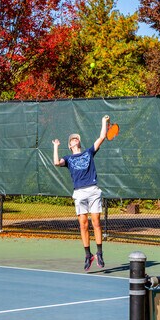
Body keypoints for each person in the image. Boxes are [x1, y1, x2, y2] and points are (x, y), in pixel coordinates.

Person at [53, 115, 109, 271]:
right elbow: (56, 163)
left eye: (76, 139)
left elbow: (102, 137)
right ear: (70, 146)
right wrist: (56, 146)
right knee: (83, 226)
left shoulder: (88, 153)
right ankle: (87, 255)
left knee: (96, 222)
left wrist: (104, 122)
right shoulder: (68, 158)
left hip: (93, 190)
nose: (74, 140)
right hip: (79, 193)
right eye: (72, 140)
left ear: (79, 142)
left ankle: (99, 253)